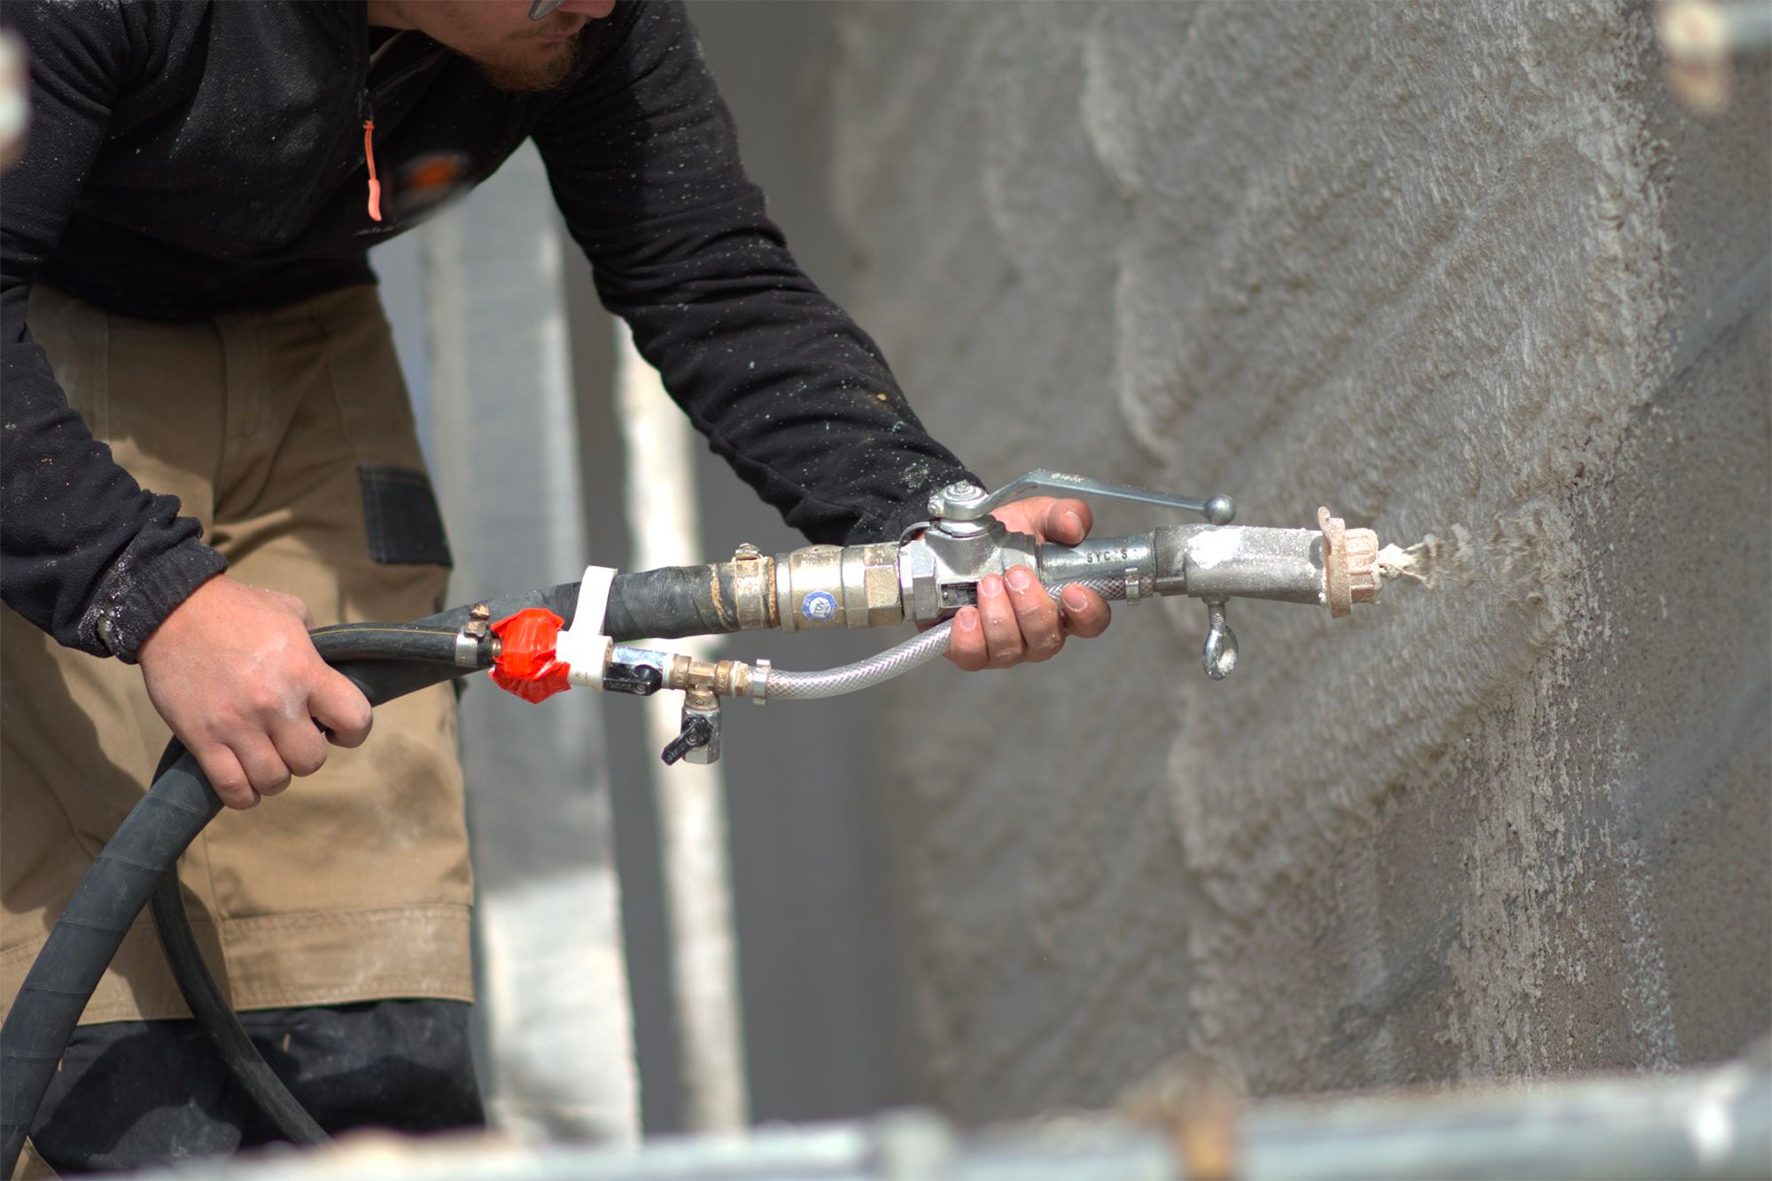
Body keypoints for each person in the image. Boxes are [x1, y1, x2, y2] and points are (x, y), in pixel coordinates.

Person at [0, 1, 1110, 1172]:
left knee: (366, 934)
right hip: (39, 335)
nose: (591, 0)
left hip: (303, 329)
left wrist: (923, 521)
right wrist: (151, 589)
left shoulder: (588, 18)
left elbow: (708, 274)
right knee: (100, 935)